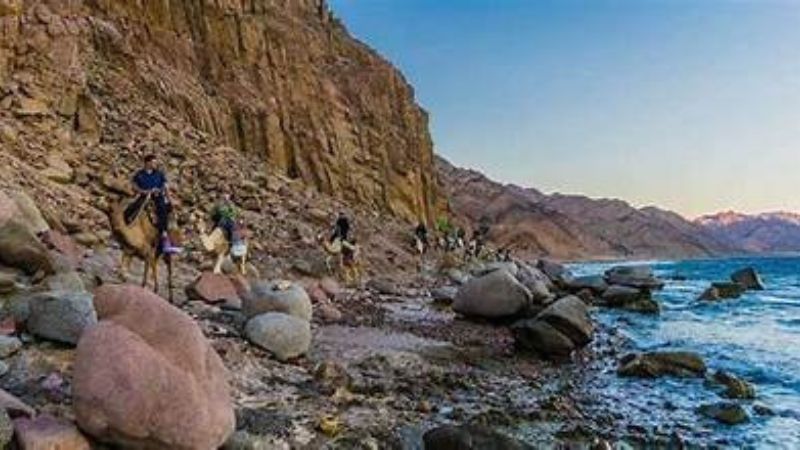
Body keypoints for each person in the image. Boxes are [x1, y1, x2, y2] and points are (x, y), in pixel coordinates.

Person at [127, 154, 177, 253]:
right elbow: (133, 185)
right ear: (147, 163)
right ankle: (125, 232)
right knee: (131, 209)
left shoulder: (159, 174)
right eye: (153, 162)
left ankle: (164, 236)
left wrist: (169, 198)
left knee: (163, 211)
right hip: (144, 196)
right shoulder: (139, 174)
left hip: (157, 196)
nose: (155, 164)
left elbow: (165, 186)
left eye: (156, 162)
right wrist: (142, 191)